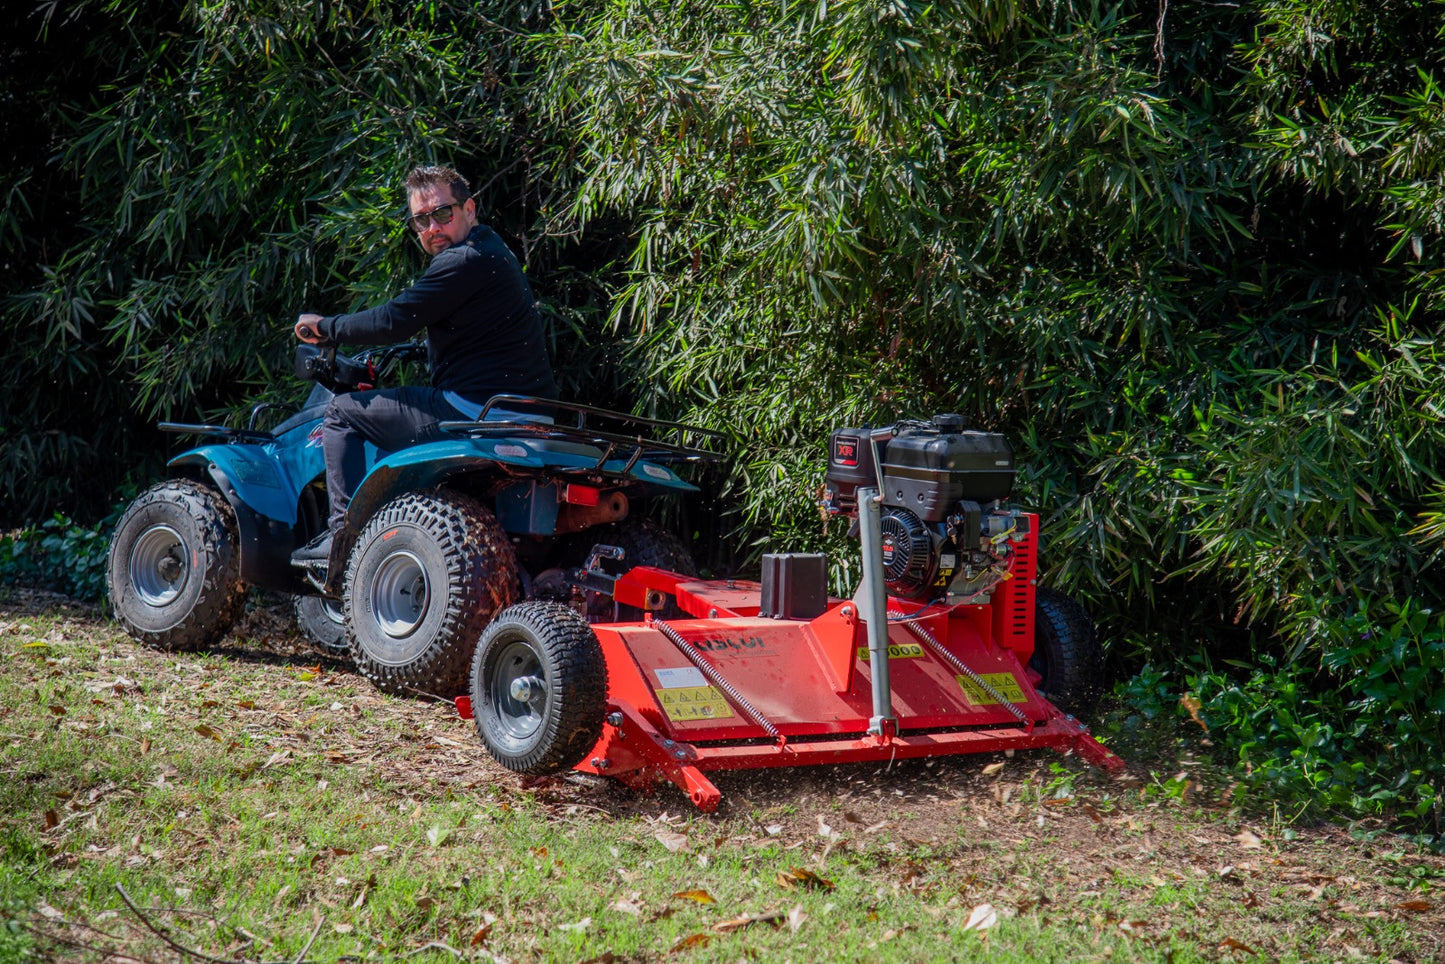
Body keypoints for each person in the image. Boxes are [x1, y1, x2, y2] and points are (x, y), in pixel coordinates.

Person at [291, 165, 556, 573]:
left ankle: (343, 541)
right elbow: (469, 329)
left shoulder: (461, 260)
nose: (433, 227)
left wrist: (326, 328)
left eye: (442, 213)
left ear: (469, 208)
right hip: (528, 412)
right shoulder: (493, 250)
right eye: (421, 219)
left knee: (342, 413)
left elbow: (395, 319)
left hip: (477, 412)